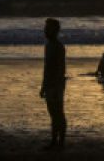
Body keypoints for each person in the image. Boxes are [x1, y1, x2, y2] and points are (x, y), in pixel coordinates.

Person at [40, 18, 67, 151]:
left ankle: (60, 142)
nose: (45, 30)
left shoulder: (58, 46)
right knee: (53, 113)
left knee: (58, 113)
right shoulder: (48, 45)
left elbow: (60, 68)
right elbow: (46, 68)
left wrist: (56, 86)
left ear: (54, 31)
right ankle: (54, 141)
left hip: (55, 85)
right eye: (45, 28)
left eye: (47, 28)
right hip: (50, 84)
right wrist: (43, 86)